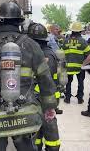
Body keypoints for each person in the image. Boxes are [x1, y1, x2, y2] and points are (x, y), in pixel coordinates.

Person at [0, 1, 58, 151]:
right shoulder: (32, 46)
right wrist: (50, 107)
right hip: (25, 114)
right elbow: (46, 81)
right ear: (20, 23)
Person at [27, 23, 61, 151]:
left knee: (49, 127)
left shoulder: (47, 56)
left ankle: (52, 148)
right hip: (40, 97)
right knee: (37, 127)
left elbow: (46, 82)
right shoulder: (39, 53)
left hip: (46, 98)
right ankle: (37, 146)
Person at [62, 22, 90, 104]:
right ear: (80, 31)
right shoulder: (83, 41)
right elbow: (88, 53)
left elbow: (61, 52)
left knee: (68, 83)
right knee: (80, 83)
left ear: (72, 31)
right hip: (80, 67)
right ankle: (80, 99)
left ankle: (67, 98)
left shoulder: (66, 41)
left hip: (68, 66)